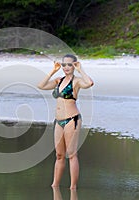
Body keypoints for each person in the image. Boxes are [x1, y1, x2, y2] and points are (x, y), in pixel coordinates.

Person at [37, 54, 93, 189]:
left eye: (69, 64)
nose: (66, 67)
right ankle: (55, 185)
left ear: (74, 65)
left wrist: (80, 70)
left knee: (72, 154)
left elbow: (90, 83)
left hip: (71, 119)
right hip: (58, 121)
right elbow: (41, 85)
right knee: (59, 154)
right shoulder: (58, 80)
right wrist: (53, 71)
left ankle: (73, 188)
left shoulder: (77, 81)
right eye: (64, 65)